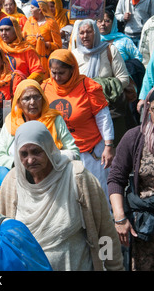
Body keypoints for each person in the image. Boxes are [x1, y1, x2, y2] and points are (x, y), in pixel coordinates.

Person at [0, 120, 124, 271]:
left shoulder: (77, 176)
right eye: (24, 154)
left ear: (49, 147)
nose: (30, 160)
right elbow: (5, 237)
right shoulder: (12, 183)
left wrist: (114, 267)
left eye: (36, 151)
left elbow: (105, 232)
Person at [108, 83, 154, 271]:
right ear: (148, 108)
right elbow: (116, 178)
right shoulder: (134, 138)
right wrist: (119, 218)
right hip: (144, 226)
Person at [42, 49, 115, 200]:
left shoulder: (88, 86)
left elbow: (103, 117)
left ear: (72, 69)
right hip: (61, 153)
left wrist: (108, 145)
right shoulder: (44, 88)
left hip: (91, 152)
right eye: (53, 72)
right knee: (70, 197)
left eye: (61, 73)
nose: (56, 77)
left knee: (97, 195)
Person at [71, 19, 132, 146]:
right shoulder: (74, 55)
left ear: (96, 33)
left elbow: (124, 79)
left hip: (108, 109)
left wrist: (100, 86)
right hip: (84, 110)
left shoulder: (109, 50)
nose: (85, 36)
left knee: (113, 148)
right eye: (81, 33)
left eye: (89, 32)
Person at [0, 79, 79, 170]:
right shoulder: (10, 123)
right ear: (18, 103)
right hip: (19, 175)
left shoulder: (54, 119)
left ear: (43, 99)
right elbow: (0, 156)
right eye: (26, 98)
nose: (32, 102)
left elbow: (73, 151)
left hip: (53, 172)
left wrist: (50, 160)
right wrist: (21, 164)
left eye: (36, 97)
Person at [0, 16, 45, 82]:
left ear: (16, 30)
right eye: (1, 30)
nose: (3, 33)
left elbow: (38, 71)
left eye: (7, 29)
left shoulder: (27, 49)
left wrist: (23, 83)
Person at [23, 0, 62, 77]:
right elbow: (23, 38)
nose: (30, 10)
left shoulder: (51, 23)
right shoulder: (29, 21)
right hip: (30, 57)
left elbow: (58, 45)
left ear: (40, 10)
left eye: (32, 8)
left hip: (46, 59)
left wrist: (45, 43)